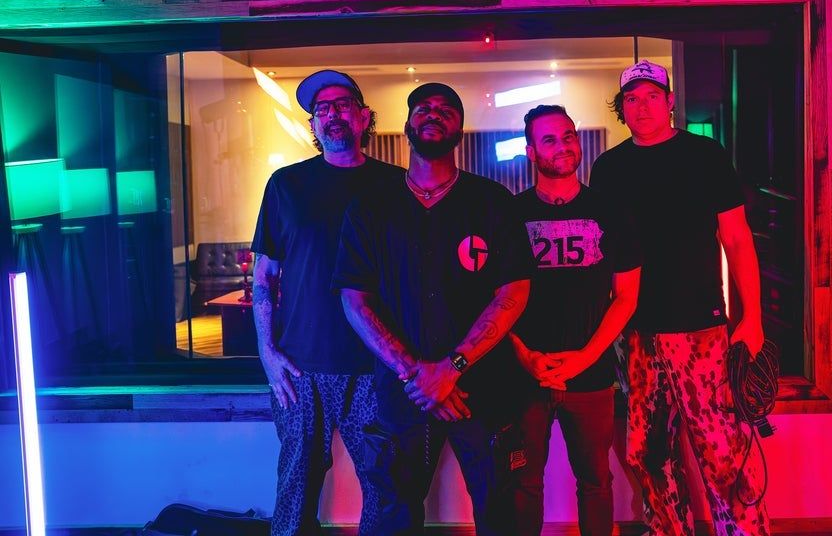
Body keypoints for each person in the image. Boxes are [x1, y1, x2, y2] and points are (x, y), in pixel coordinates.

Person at [334, 82, 533, 535]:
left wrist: (451, 368)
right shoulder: (370, 207)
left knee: (500, 513)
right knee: (394, 517)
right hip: (403, 393)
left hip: (482, 390)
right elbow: (354, 299)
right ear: (407, 125)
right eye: (423, 108)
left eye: (446, 110)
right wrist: (417, 375)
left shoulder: (492, 202)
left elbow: (514, 292)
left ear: (460, 128)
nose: (433, 114)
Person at [588, 60, 770, 536]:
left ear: (669, 101)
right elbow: (604, 252)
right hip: (635, 332)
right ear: (622, 108)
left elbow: (737, 239)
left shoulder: (705, 155)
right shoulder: (608, 168)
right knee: (646, 455)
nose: (642, 106)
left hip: (700, 328)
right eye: (632, 99)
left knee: (722, 451)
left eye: (652, 96)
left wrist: (752, 318)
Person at [251, 70, 402, 536]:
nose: (332, 114)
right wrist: (267, 353)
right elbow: (264, 277)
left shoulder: (396, 186)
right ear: (314, 125)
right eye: (322, 109)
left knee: (386, 486)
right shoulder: (286, 185)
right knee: (295, 486)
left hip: (374, 363)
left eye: (342, 105)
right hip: (300, 368)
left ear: (364, 117)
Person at [508, 105, 641, 536]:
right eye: (549, 139)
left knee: (597, 482)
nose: (562, 146)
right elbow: (492, 300)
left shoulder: (612, 210)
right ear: (531, 151)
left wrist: (585, 358)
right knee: (523, 483)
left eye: (568, 136)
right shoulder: (509, 215)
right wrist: (525, 356)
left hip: (592, 375)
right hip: (526, 375)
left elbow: (626, 297)